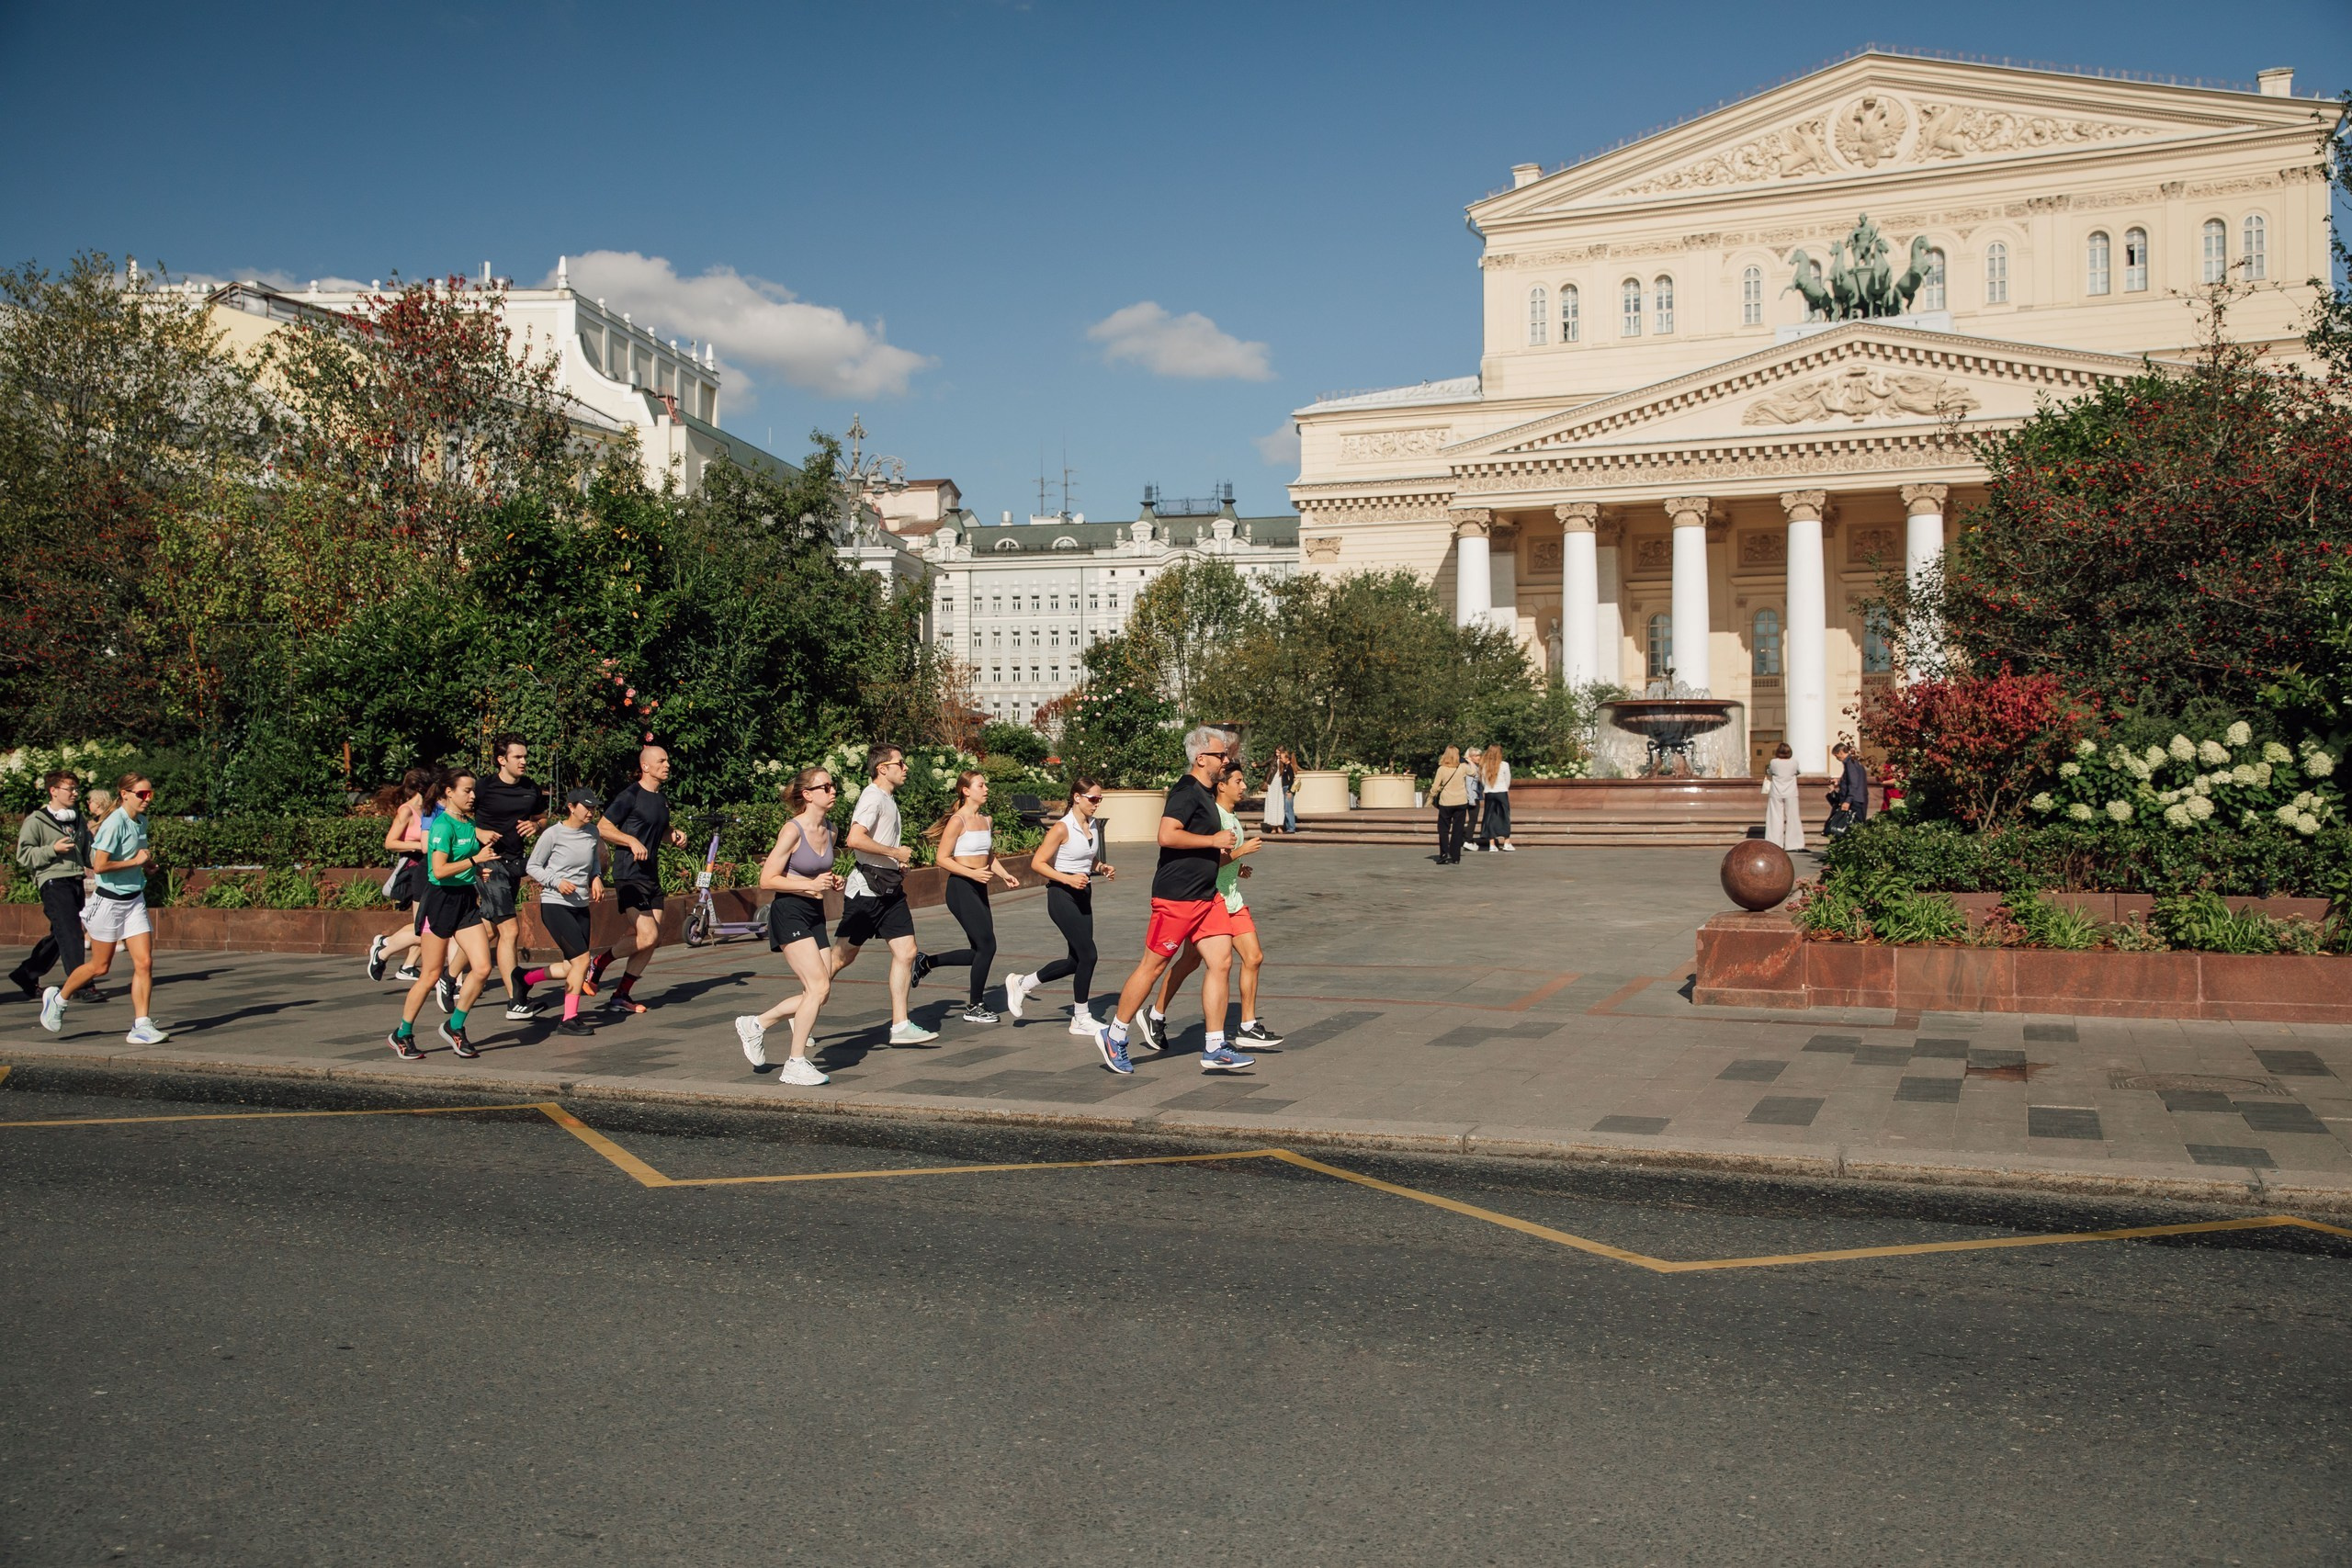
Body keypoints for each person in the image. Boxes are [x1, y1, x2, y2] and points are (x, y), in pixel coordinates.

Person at [1098, 727, 1250, 1075]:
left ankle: (1214, 1047)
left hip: (1206, 895)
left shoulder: (1206, 793)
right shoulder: (1186, 792)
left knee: (1222, 961)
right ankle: (1115, 1033)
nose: (1225, 760)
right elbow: (1166, 836)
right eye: (1220, 755)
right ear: (1201, 759)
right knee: (1153, 966)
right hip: (1176, 898)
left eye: (1226, 755)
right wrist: (1212, 842)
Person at [1150, 759, 1283, 1049]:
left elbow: (1223, 861)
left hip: (1232, 899)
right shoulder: (1215, 817)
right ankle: (1156, 1013)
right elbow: (1212, 857)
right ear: (1222, 785)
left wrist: (1239, 866)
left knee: (1253, 957)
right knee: (1189, 962)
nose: (1244, 786)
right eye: (1238, 781)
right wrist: (1239, 853)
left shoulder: (1231, 817)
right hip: (1210, 899)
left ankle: (1246, 1025)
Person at [733, 765, 847, 1084]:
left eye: (833, 785)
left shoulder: (831, 829)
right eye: (825, 787)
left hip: (814, 913)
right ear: (807, 795)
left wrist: (831, 881)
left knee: (819, 992)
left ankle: (756, 1024)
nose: (833, 790)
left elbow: (814, 874)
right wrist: (808, 887)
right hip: (789, 913)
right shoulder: (792, 830)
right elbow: (767, 879)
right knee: (818, 987)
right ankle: (795, 1063)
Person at [40, 772, 167, 1044]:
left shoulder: (140, 821)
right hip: (107, 902)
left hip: (134, 901)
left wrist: (146, 864)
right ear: (125, 794)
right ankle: (58, 999)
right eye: (142, 794)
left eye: (150, 794)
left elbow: (137, 854)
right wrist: (135, 862)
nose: (147, 799)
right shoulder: (113, 824)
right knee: (100, 966)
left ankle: (141, 1025)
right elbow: (99, 866)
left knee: (144, 962)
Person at [825, 743, 939, 1045]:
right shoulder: (872, 797)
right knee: (840, 958)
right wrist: (895, 851)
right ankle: (804, 1008)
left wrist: (895, 863)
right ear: (882, 769)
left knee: (907, 952)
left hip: (889, 889)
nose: (906, 768)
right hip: (866, 892)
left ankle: (900, 1025)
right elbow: (854, 839)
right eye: (900, 764)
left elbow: (876, 844)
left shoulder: (887, 798)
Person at [385, 769, 501, 1059]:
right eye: (467, 791)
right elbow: (438, 870)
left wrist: (477, 870)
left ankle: (455, 1026)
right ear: (449, 792)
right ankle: (402, 1033)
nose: (473, 796)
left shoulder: (468, 823)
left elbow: (464, 861)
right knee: (430, 974)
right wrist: (475, 859)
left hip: (464, 902)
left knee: (483, 968)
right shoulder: (441, 826)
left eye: (474, 791)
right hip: (439, 903)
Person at [1003, 775, 1114, 1036]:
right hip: (1061, 895)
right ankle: (1081, 1017)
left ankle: (1022, 982)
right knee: (1089, 955)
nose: (1097, 803)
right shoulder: (1062, 828)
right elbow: (1038, 862)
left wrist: (1100, 866)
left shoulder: (1094, 824)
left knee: (1076, 960)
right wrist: (1067, 878)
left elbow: (1087, 855)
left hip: (1082, 894)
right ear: (1077, 797)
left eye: (1100, 799)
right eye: (1093, 798)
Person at [590, 744, 688, 1017]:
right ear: (646, 766)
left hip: (650, 874)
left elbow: (659, 829)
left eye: (667, 760)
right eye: (662, 760)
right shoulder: (630, 794)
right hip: (629, 874)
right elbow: (603, 827)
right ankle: (599, 962)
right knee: (648, 935)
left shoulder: (660, 797)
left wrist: (674, 836)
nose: (667, 764)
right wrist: (630, 840)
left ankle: (621, 994)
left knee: (651, 940)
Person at [921, 770, 1023, 1023]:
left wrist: (1003, 874)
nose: (986, 788)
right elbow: (942, 858)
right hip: (960, 888)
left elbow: (988, 856)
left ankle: (926, 962)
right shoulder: (958, 821)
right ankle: (975, 1006)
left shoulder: (987, 820)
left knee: (979, 949)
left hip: (978, 887)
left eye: (985, 784)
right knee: (987, 946)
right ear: (966, 791)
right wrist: (972, 874)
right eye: (981, 785)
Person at [475, 734, 548, 1021]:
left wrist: (536, 824)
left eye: (525, 756)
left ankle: (449, 974)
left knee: (490, 929)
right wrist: (477, 833)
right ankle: (515, 1001)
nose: (524, 762)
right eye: (517, 757)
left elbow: (543, 817)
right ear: (501, 760)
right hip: (489, 863)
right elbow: (459, 816)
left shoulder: (531, 787)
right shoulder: (483, 787)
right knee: (510, 930)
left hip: (516, 863)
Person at [523, 787, 607, 1037]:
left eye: (594, 807)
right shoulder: (553, 834)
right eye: (586, 807)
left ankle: (524, 979)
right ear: (571, 807)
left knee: (573, 967)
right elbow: (533, 866)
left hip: (581, 904)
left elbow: (592, 860)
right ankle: (569, 1018)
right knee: (582, 960)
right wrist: (556, 881)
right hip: (555, 903)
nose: (591, 812)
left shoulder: (592, 832)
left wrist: (596, 877)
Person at [12, 771, 91, 999]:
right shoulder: (36, 820)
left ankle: (26, 973)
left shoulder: (77, 817)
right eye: (70, 789)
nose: (75, 793)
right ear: (53, 791)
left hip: (76, 879)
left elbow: (89, 852)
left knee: (62, 934)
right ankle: (82, 985)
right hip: (53, 881)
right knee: (71, 932)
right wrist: (52, 850)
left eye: (77, 789)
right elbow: (24, 855)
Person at [367, 767, 435, 985]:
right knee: (424, 926)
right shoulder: (406, 811)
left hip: (431, 866)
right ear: (421, 788)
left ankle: (407, 965)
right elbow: (390, 842)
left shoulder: (431, 809)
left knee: (426, 924)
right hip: (415, 868)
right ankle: (385, 945)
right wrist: (418, 845)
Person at [1430, 746, 1472, 865]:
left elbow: (1435, 787)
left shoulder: (1442, 769)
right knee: (1458, 830)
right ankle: (1456, 857)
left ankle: (1444, 853)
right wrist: (1468, 761)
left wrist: (1433, 793)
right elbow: (1474, 773)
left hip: (1446, 802)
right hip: (1461, 802)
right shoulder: (1463, 767)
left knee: (1443, 829)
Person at [1762, 741, 1805, 852]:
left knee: (1775, 817)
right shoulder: (1794, 762)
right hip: (1791, 792)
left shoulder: (1773, 762)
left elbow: (1769, 772)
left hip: (1776, 792)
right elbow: (1798, 772)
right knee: (1793, 817)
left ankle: (1774, 842)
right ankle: (1795, 844)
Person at [1476, 744, 1514, 852]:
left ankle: (1492, 844)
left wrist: (1488, 787)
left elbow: (1483, 781)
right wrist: (1503, 788)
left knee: (1490, 816)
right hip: (1501, 792)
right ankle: (1506, 842)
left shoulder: (1484, 765)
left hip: (1489, 792)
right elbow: (1508, 780)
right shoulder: (1504, 765)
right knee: (1504, 816)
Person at [1828, 741, 1871, 836]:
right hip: (1857, 798)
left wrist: (1848, 800)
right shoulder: (1854, 761)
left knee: (1855, 828)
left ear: (1841, 752)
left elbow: (1854, 783)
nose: (1837, 759)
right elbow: (1852, 779)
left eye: (1837, 756)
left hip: (1855, 800)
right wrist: (1839, 781)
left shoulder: (1850, 762)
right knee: (1853, 827)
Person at [1461, 743, 1487, 851]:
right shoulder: (1469, 767)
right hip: (1472, 797)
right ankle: (1467, 840)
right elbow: (1468, 785)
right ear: (1469, 757)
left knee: (1472, 819)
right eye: (1476, 756)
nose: (1479, 758)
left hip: (1474, 796)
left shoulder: (1475, 767)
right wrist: (1471, 800)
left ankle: (1466, 839)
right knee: (1473, 820)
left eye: (1479, 755)